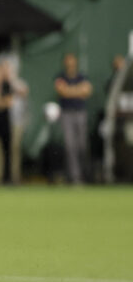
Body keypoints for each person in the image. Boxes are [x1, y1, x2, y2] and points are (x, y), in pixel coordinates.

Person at [54, 52, 92, 184]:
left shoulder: (82, 76)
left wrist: (70, 91)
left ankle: (85, 174)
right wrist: (77, 91)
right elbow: (62, 91)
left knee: (82, 145)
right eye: (68, 62)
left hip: (80, 113)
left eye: (72, 62)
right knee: (70, 146)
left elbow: (87, 91)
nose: (70, 65)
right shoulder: (60, 77)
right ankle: (75, 177)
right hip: (66, 114)